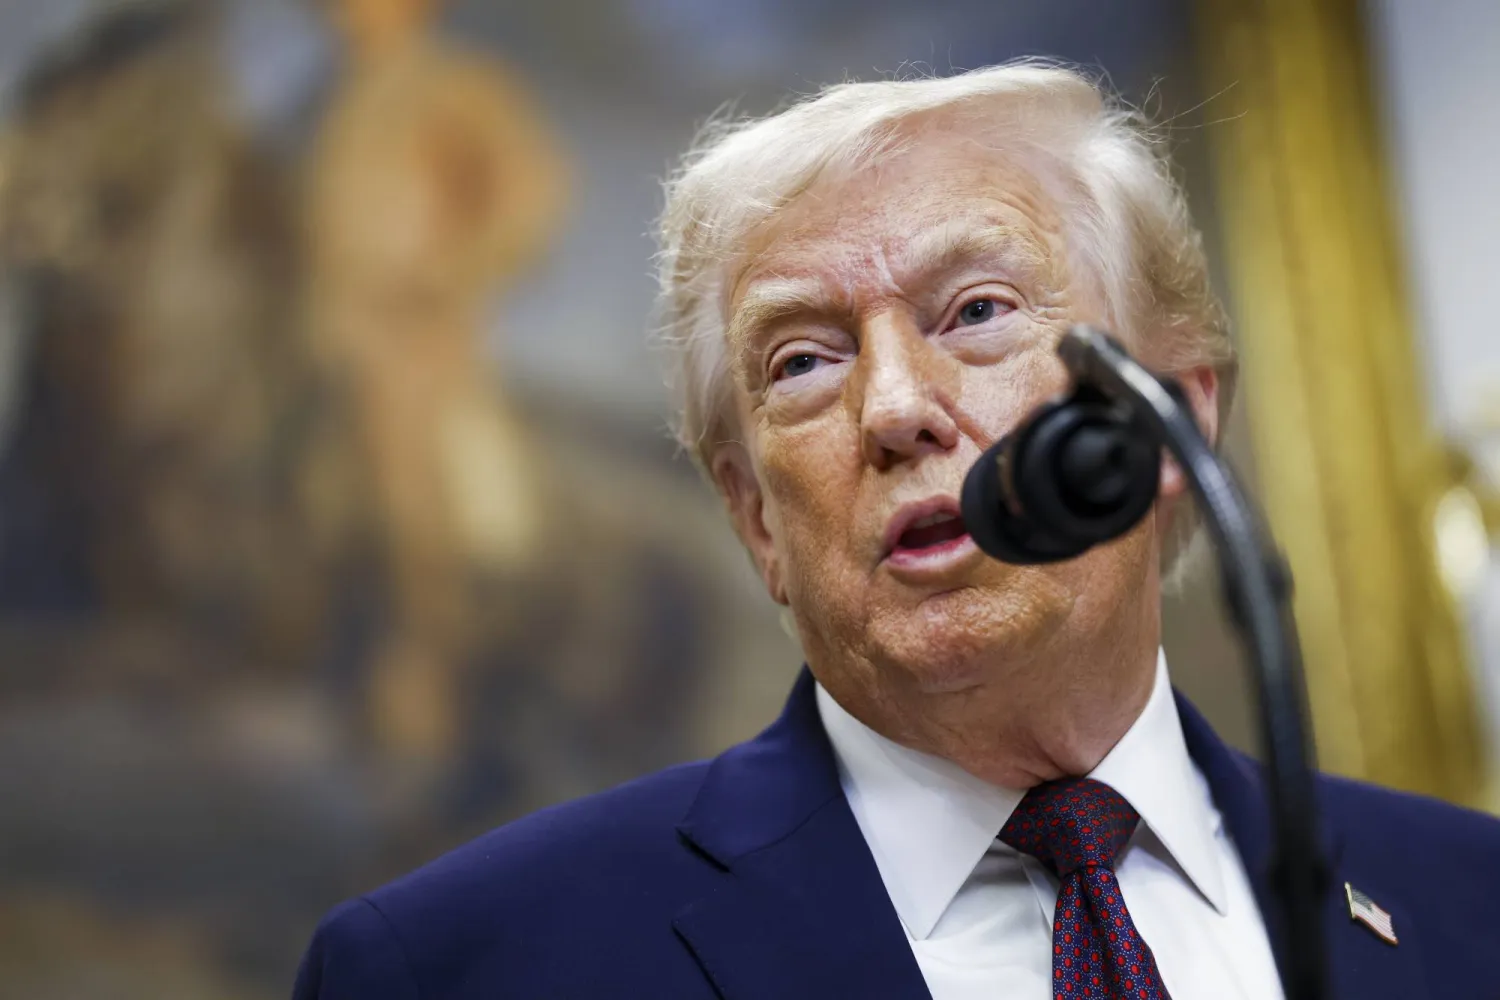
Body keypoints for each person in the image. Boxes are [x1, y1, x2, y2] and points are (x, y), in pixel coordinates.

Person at [291, 63, 1500, 1000]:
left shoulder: (1471, 903)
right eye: (805, 360)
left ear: (1170, 422)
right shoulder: (462, 970)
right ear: (755, 517)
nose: (895, 408)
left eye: (977, 310)